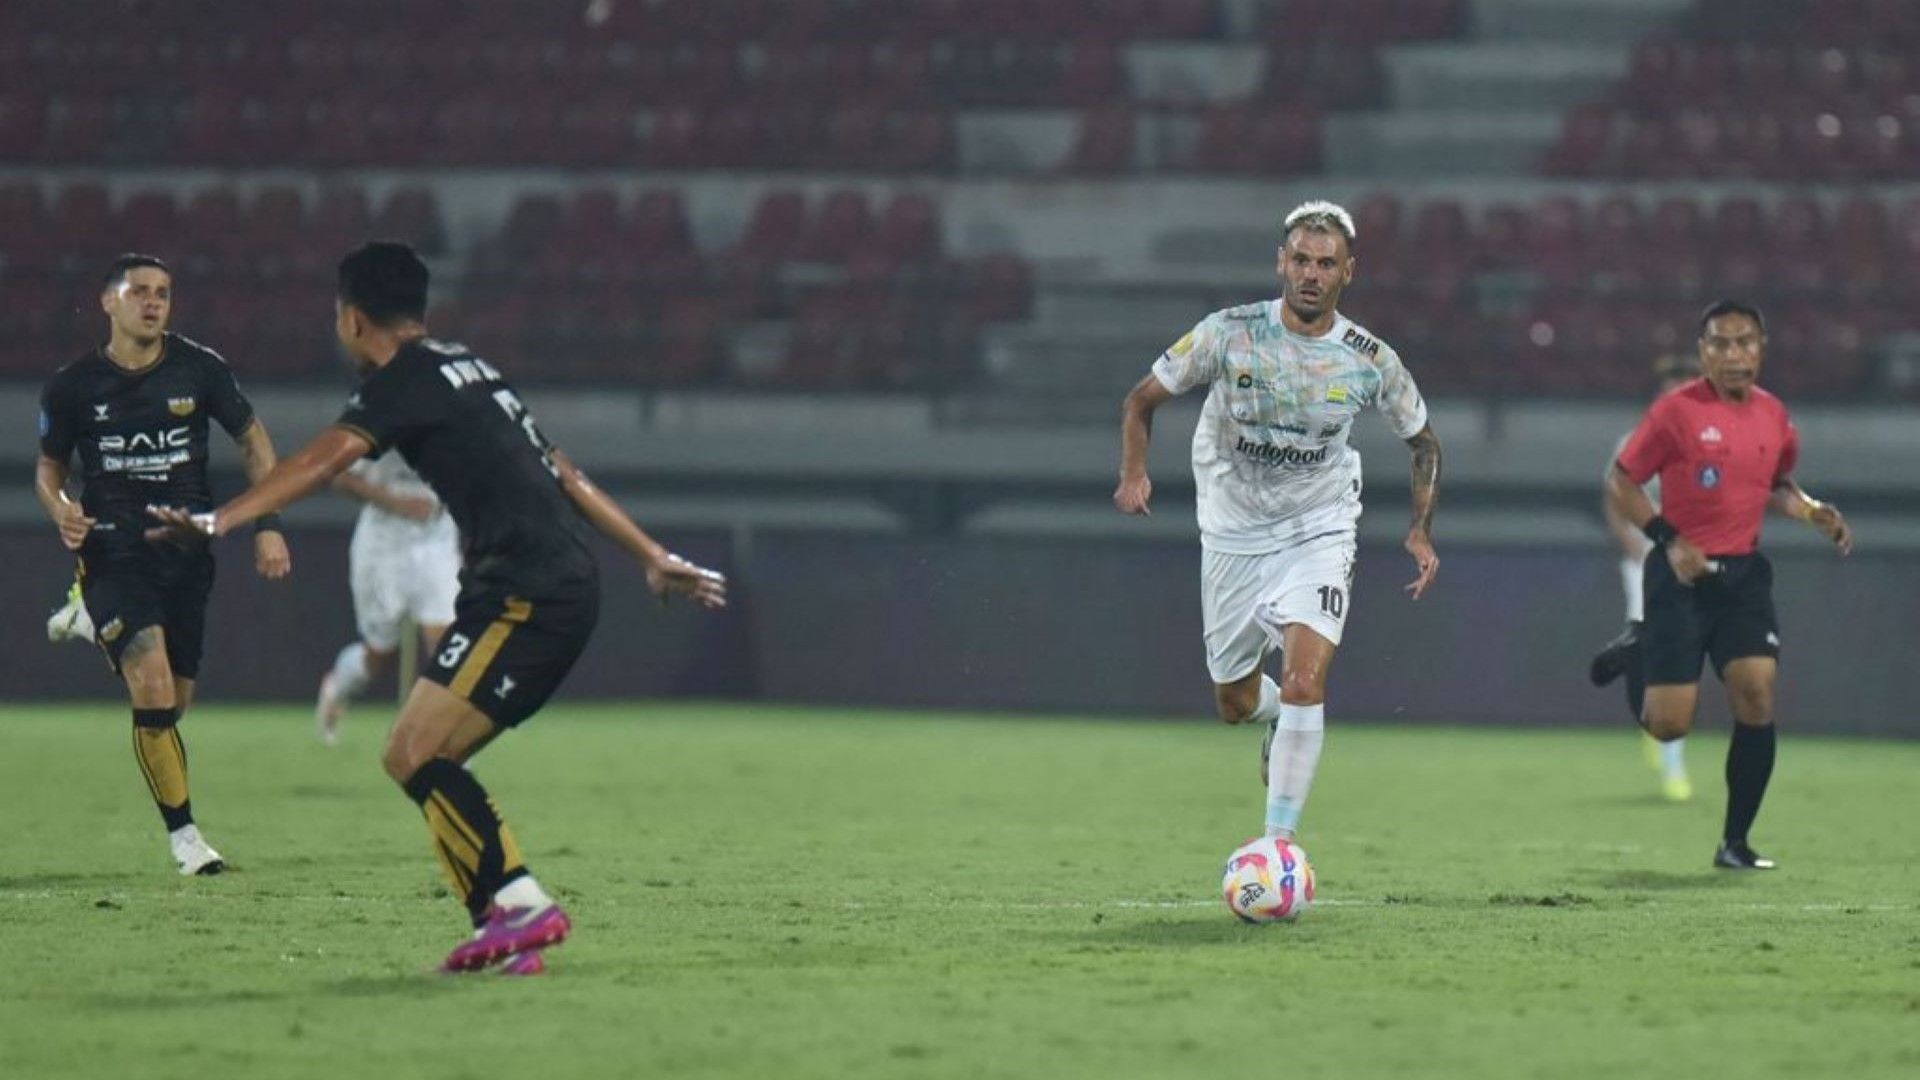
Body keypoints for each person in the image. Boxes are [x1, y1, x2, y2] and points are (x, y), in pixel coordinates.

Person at [152, 242, 727, 975]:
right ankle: (501, 928)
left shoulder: (402, 382)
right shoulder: (471, 367)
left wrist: (219, 521)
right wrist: (649, 553)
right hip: (549, 581)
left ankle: (520, 906)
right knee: (418, 755)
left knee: (416, 752)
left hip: (527, 592)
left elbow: (321, 461)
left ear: (353, 320)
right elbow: (566, 472)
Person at [1114, 201, 1442, 846]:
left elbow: (1424, 443)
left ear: (1349, 273)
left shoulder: (1369, 358)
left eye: (1326, 263)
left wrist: (1420, 529)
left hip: (1318, 525)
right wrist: (1133, 473)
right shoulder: (1228, 333)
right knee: (1233, 702)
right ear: (1281, 263)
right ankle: (1271, 723)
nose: (1311, 274)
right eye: (1301, 260)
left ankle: (1278, 847)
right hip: (1233, 532)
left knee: (1303, 680)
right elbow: (1141, 400)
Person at [34, 253, 293, 876]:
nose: (154, 302)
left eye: (164, 293)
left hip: (185, 554)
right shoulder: (73, 386)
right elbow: (50, 470)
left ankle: (89, 619)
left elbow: (255, 441)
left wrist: (269, 523)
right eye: (141, 291)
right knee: (149, 689)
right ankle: (186, 842)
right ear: (109, 302)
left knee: (171, 709)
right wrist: (60, 508)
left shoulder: (200, 369)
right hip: (113, 551)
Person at [1606, 300, 1851, 871]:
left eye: (1745, 343)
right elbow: (1623, 480)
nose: (1734, 354)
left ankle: (1734, 843)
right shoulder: (1675, 413)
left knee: (1758, 695)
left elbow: (1779, 484)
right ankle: (1635, 652)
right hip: (1679, 575)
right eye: (1721, 343)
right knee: (1669, 727)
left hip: (1742, 577)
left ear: (1762, 349)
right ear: (1703, 352)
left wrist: (1813, 512)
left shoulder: (1774, 415)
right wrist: (1668, 538)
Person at [1590, 352, 1701, 802]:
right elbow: (1613, 498)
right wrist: (1630, 542)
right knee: (1659, 646)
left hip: (1691, 563)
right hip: (1646, 563)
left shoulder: (1708, 444)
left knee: (1684, 649)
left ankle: (1659, 725)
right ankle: (1671, 754)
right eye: (1670, 387)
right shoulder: (1635, 441)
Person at [314, 453, 460, 746]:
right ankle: (338, 686)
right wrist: (397, 504)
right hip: (383, 550)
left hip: (438, 546)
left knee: (448, 651)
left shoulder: (461, 418)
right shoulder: (380, 419)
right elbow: (340, 477)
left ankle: (450, 751)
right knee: (379, 656)